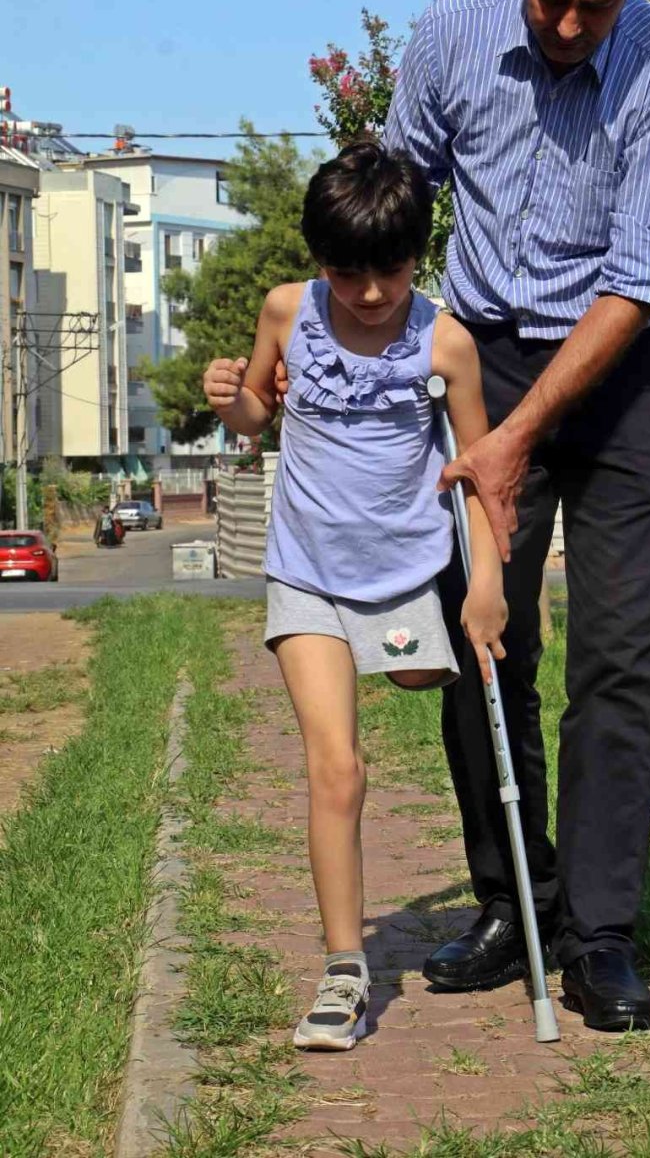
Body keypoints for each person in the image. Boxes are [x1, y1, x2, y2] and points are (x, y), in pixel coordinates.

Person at [381, 0, 650, 1031]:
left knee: (622, 653)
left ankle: (602, 935)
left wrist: (519, 440)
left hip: (628, 371)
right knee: (487, 640)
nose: (572, 24)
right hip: (488, 358)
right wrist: (321, 338)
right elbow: (400, 192)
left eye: (600, 3)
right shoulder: (449, 35)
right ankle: (513, 900)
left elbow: (637, 279)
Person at [202, 143, 507, 1051]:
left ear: (419, 253)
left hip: (407, 573)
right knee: (338, 766)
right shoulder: (287, 311)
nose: (369, 292)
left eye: (389, 269)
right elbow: (259, 413)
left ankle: (414, 665)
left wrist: (484, 585)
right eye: (346, 271)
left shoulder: (445, 339)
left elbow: (481, 473)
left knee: (424, 684)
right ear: (316, 258)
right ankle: (344, 972)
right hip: (305, 573)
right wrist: (231, 399)